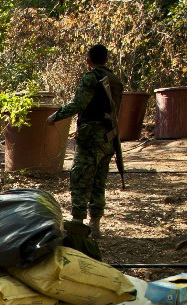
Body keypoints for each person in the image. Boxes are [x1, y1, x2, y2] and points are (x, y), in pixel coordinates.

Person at [47, 43, 124, 239]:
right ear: (106, 60)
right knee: (99, 179)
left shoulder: (91, 78)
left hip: (91, 136)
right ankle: (95, 224)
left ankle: (78, 223)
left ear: (88, 61)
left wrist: (56, 116)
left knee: (81, 177)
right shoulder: (115, 80)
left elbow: (79, 104)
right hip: (109, 136)